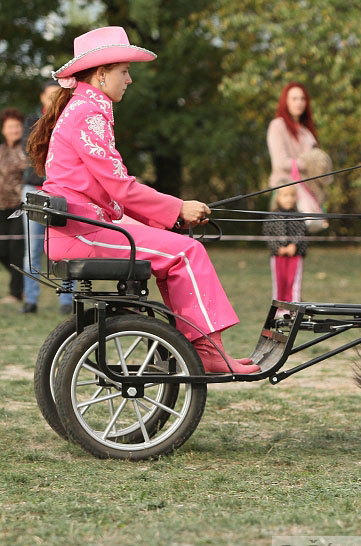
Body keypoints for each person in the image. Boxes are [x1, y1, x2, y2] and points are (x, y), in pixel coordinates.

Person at [26, 26, 259, 373]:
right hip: (82, 233)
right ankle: (206, 350)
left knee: (176, 245)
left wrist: (166, 217)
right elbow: (121, 187)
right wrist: (178, 207)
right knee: (187, 251)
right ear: (102, 74)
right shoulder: (88, 114)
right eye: (124, 71)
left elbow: (110, 191)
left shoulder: (83, 109)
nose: (129, 79)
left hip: (77, 229)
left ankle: (198, 345)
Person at [21, 80, 75, 315]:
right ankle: (30, 299)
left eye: (58, 95)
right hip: (35, 189)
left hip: (65, 191)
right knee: (33, 248)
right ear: (42, 97)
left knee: (68, 246)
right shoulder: (32, 122)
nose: (55, 99)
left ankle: (67, 299)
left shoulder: (71, 119)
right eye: (51, 95)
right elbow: (35, 149)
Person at [267, 82, 327, 232]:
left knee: (301, 241)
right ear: (285, 101)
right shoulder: (277, 126)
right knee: (283, 238)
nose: (299, 103)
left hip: (306, 189)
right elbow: (280, 163)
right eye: (294, 98)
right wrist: (308, 164)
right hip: (285, 190)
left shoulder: (306, 131)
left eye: (302, 99)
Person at [0, 107, 27, 305]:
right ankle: (23, 282)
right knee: (2, 250)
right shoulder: (1, 150)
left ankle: (16, 293)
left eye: (17, 126)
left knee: (16, 248)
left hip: (19, 206)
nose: (14, 130)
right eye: (10, 127)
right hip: (1, 206)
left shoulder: (26, 149)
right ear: (3, 129)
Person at [263, 185, 307, 304]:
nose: (289, 199)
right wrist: (278, 248)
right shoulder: (272, 217)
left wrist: (294, 245)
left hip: (296, 255)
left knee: (293, 282)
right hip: (278, 256)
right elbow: (268, 235)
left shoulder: (299, 216)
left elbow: (301, 232)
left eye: (292, 195)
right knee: (279, 282)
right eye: (285, 195)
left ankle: (294, 306)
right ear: (277, 198)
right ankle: (279, 308)